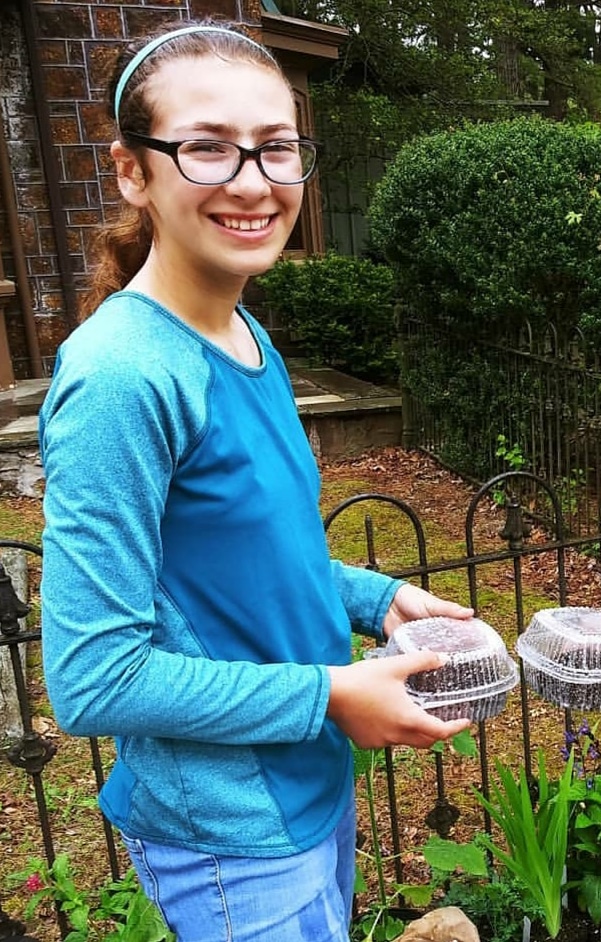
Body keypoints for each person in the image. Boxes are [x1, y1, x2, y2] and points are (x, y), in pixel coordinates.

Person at [38, 21, 474, 942]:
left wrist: (377, 597)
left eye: (277, 148)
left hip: (304, 785)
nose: (252, 180)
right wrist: (331, 696)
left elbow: (260, 558)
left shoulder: (245, 333)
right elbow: (91, 678)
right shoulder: (122, 375)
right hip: (229, 834)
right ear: (132, 171)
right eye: (206, 148)